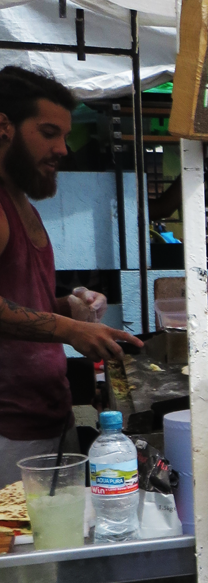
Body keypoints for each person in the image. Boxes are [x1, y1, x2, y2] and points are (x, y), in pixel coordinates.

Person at [0, 66, 142, 485]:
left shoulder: (23, 204)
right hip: (7, 431)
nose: (63, 149)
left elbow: (21, 304)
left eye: (64, 135)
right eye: (48, 133)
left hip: (45, 414)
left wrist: (71, 308)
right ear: (3, 127)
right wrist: (66, 328)